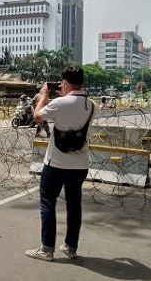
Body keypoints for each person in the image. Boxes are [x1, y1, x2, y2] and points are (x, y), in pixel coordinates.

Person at [25, 66, 94, 262]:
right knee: (74, 205)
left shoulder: (60, 103)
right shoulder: (90, 105)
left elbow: (37, 116)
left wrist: (44, 94)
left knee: (48, 203)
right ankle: (71, 247)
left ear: (64, 83)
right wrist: (63, 93)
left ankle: (46, 249)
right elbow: (73, 105)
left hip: (55, 163)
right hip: (79, 165)